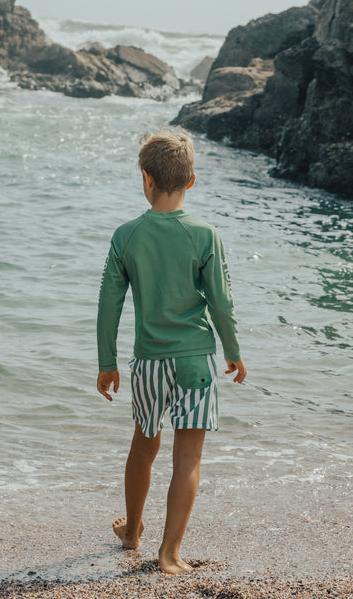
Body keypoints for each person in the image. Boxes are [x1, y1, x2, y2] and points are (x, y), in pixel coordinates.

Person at [96, 127, 247, 575]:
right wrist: (233, 350)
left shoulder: (126, 236)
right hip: (195, 361)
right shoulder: (205, 235)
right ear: (192, 180)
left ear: (146, 179)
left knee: (144, 445)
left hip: (147, 365)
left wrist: (107, 362)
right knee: (188, 457)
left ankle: (132, 531)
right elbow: (220, 301)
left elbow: (109, 303)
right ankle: (169, 553)